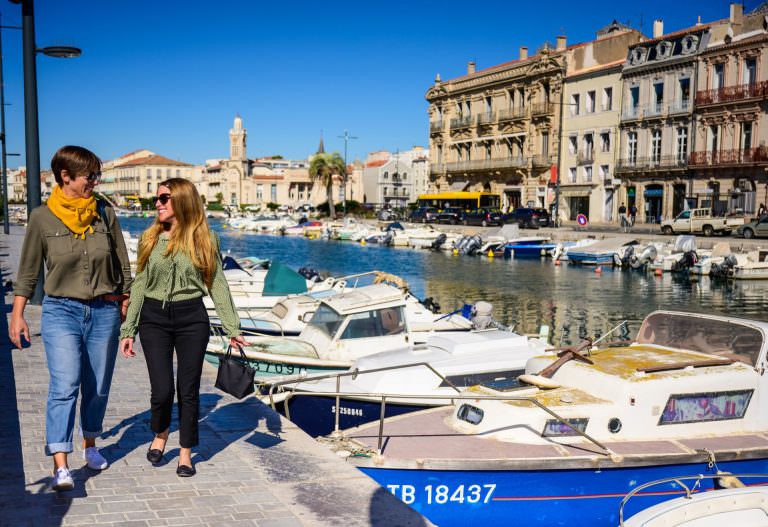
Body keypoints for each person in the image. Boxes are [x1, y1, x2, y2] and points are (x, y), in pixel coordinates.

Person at [9, 146, 133, 491]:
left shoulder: (105, 213)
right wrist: (17, 315)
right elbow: (28, 272)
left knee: (98, 387)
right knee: (65, 385)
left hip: (104, 311)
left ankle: (90, 445)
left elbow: (122, 263)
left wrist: (126, 301)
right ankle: (60, 462)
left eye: (97, 175)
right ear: (66, 177)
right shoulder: (41, 218)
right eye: (90, 176)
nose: (95, 182)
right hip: (61, 310)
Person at [119, 178, 246, 478]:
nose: (158, 204)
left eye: (164, 198)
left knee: (187, 390)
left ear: (182, 201)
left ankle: (186, 452)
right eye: (158, 199)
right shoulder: (150, 237)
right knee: (162, 390)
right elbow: (139, 285)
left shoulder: (205, 239)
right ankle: (160, 433)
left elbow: (217, 284)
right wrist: (129, 330)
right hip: (154, 318)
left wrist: (233, 327)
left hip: (192, 318)